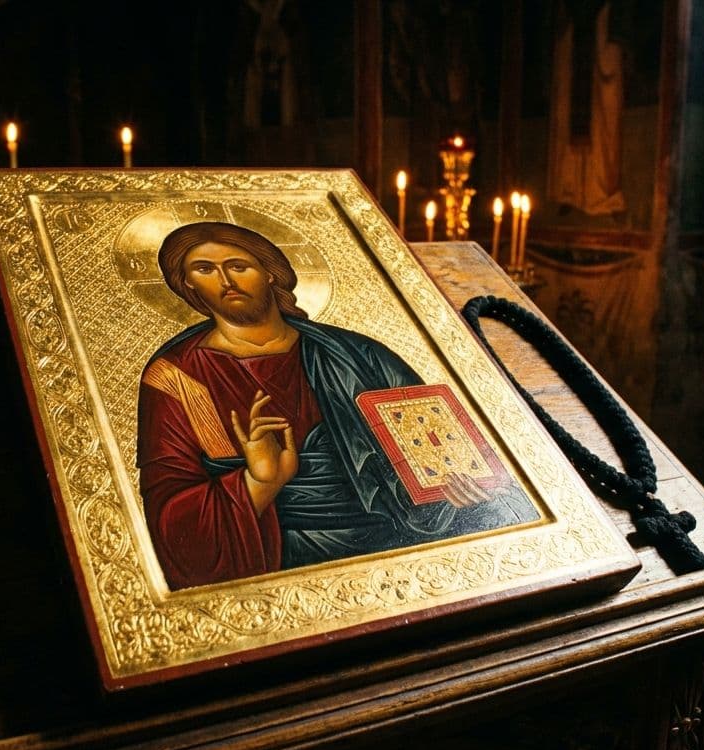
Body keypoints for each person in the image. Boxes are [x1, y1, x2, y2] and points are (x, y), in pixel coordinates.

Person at [137, 222, 537, 589]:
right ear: (188, 286)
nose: (225, 280)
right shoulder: (177, 377)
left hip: (399, 546)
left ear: (270, 272)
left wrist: (470, 491)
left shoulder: (359, 354)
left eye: (238, 265)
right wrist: (259, 483)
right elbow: (169, 516)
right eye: (205, 270)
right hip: (286, 564)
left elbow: (449, 454)